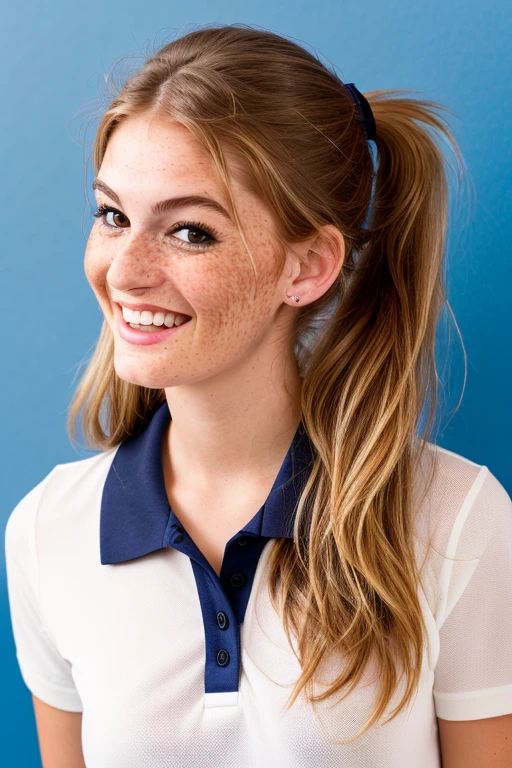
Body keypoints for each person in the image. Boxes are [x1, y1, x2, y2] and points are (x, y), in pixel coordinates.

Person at [5, 23, 512, 768]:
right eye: (112, 216)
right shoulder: (48, 532)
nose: (125, 271)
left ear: (306, 266)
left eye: (189, 232)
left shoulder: (455, 519)